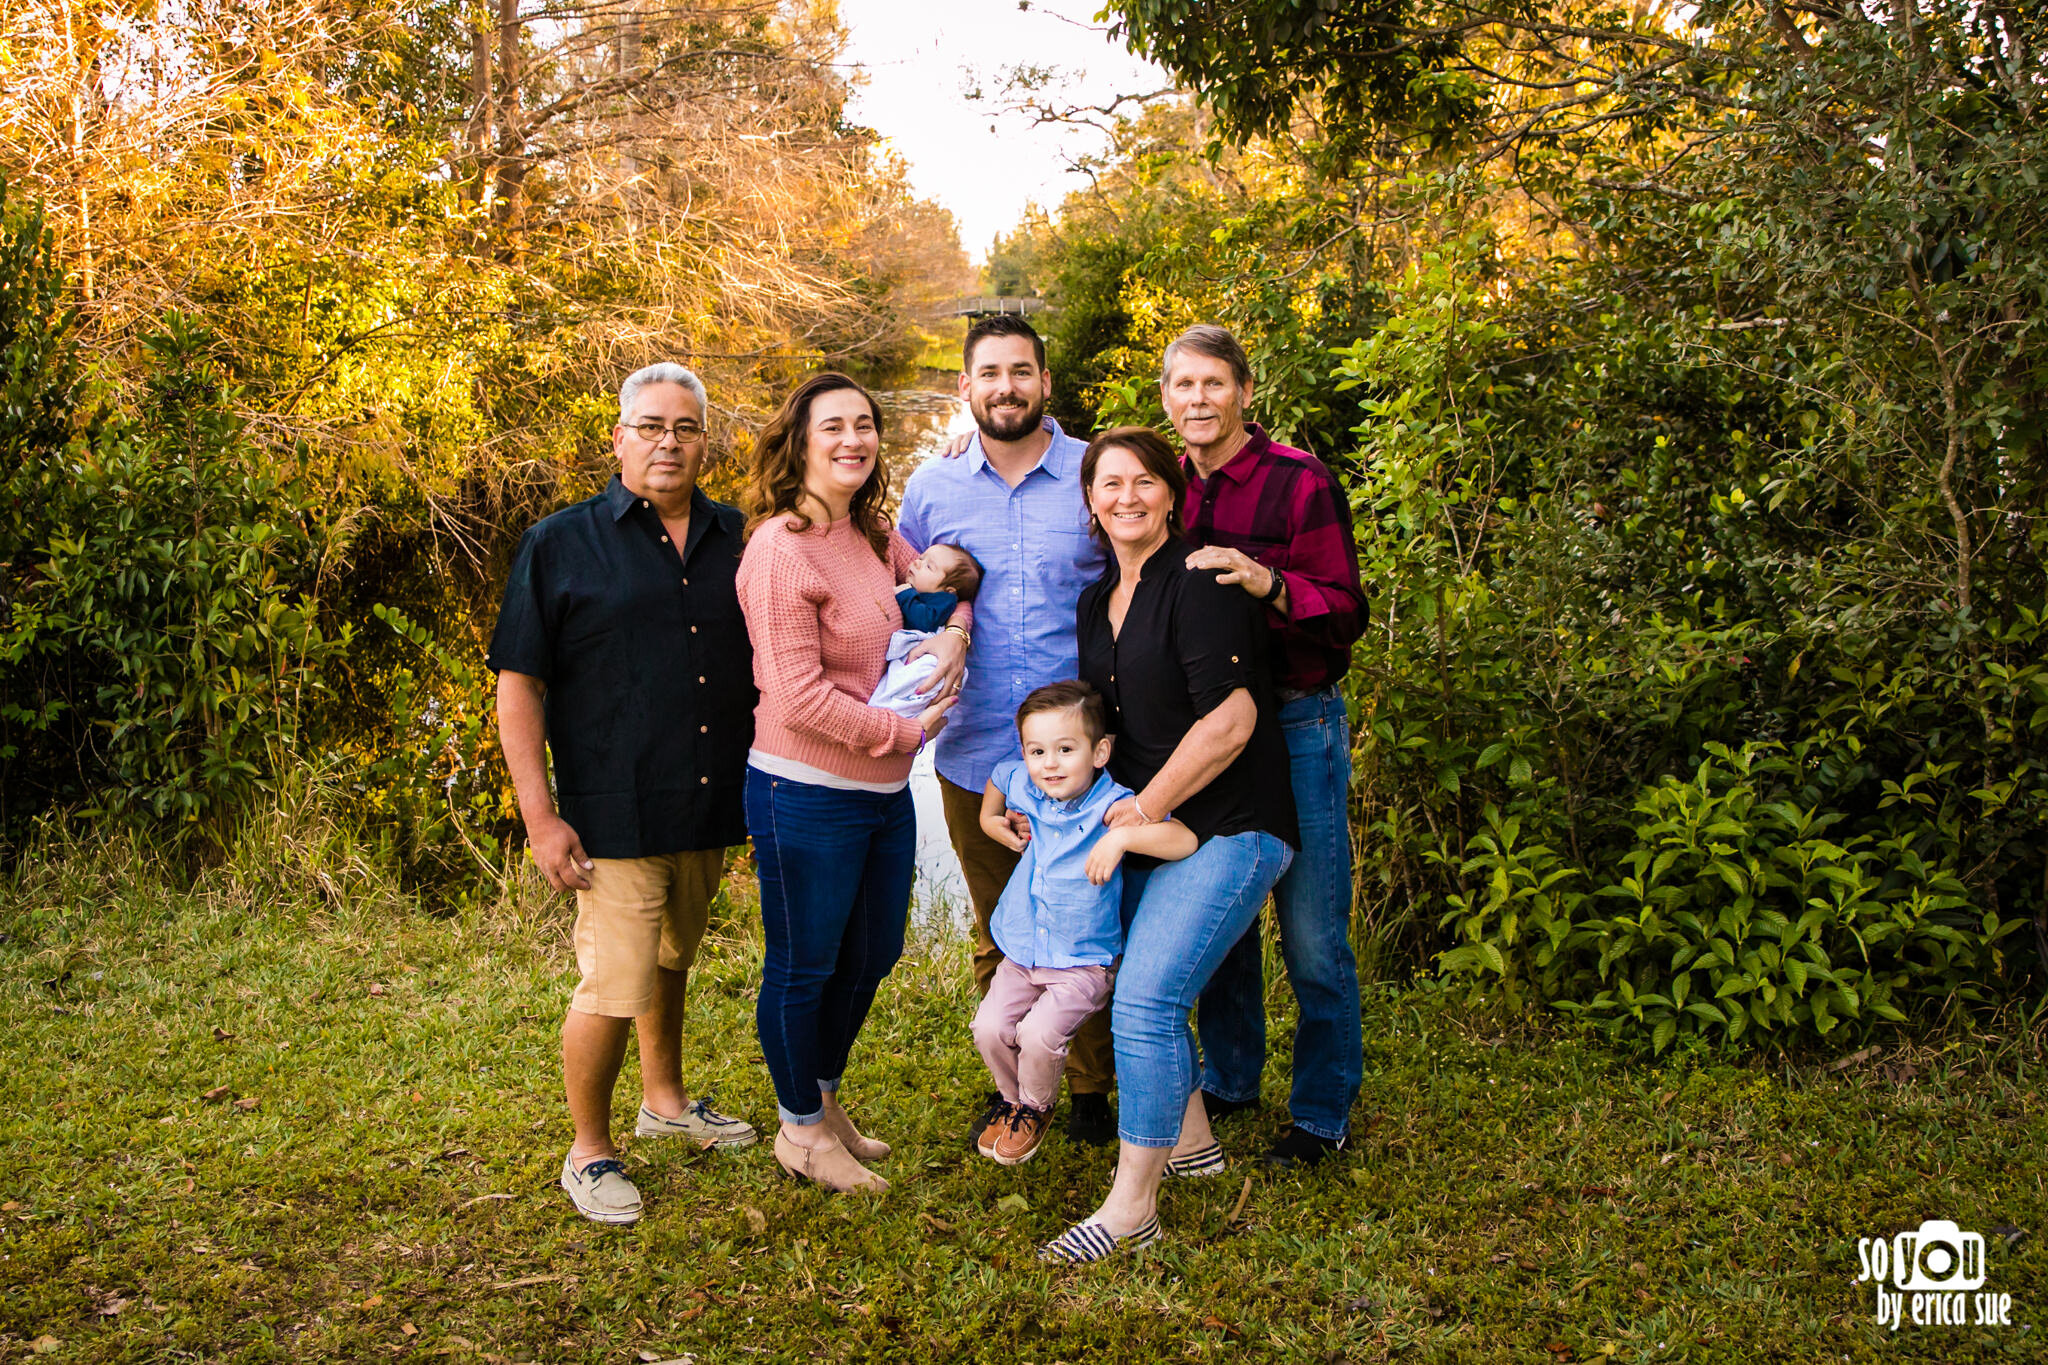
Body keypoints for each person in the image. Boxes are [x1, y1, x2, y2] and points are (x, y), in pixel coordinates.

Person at [489, 362, 759, 1227]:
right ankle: (589, 1150)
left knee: (672, 956)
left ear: (705, 440)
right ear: (618, 438)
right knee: (614, 981)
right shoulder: (561, 543)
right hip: (613, 811)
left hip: (710, 801)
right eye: (650, 426)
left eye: (684, 427)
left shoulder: (738, 536)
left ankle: (666, 1100)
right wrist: (540, 814)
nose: (668, 442)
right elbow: (519, 684)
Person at [1039, 427, 1298, 1263]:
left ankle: (1131, 1207)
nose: (1126, 496)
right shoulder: (1095, 601)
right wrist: (1025, 788)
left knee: (1144, 1000)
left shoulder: (1200, 581)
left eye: (1144, 481)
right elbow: (1099, 730)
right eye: (1108, 484)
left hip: (1233, 822)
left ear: (1171, 493)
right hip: (1154, 827)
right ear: (1089, 501)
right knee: (1141, 984)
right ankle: (1191, 1145)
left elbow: (1232, 721)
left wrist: (1141, 809)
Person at [736, 371, 962, 1193]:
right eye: (833, 426)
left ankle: (824, 1099)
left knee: (875, 950)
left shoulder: (875, 533)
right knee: (805, 964)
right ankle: (799, 1131)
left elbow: (945, 588)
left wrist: (955, 639)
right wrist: (904, 732)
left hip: (881, 793)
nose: (853, 440)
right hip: (803, 790)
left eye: (865, 424)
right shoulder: (778, 549)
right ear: (798, 442)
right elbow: (796, 695)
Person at [897, 314, 1118, 1148]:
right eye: (989, 373)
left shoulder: (1093, 473)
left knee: (1091, 932)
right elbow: (911, 601)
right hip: (978, 751)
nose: (1006, 387)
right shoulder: (932, 486)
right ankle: (1014, 1092)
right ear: (964, 387)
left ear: (1046, 381)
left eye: (1021, 370)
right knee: (1002, 930)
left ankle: (1092, 1090)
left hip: (1082, 756)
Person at [1162, 325, 1371, 1169]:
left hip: (1296, 720)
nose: (1199, 400)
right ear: (1167, 397)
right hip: (1207, 731)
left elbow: (1347, 608)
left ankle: (1321, 1111)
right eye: (1183, 386)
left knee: (1314, 932)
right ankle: (1232, 1076)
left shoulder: (1298, 481)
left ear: (1245, 390)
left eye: (1214, 384)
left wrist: (1271, 583)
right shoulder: (1164, 485)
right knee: (1223, 921)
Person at [970, 681, 1196, 1166]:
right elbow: (999, 775)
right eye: (1037, 751)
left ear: (1100, 752)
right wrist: (991, 821)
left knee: (1038, 1035)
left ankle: (1037, 1106)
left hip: (1083, 962)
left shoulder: (1114, 804)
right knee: (988, 1027)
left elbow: (1184, 841)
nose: (1049, 764)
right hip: (1024, 950)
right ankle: (1014, 1103)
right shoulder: (1026, 782)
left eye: (1065, 750)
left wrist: (1121, 841)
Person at [868, 543, 983, 720]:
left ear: (949, 589)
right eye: (921, 558)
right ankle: (884, 709)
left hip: (928, 654)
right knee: (896, 684)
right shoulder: (923, 591)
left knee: (918, 678)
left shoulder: (944, 600)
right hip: (911, 655)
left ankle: (889, 712)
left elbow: (924, 619)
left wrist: (904, 594)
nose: (916, 563)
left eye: (929, 566)